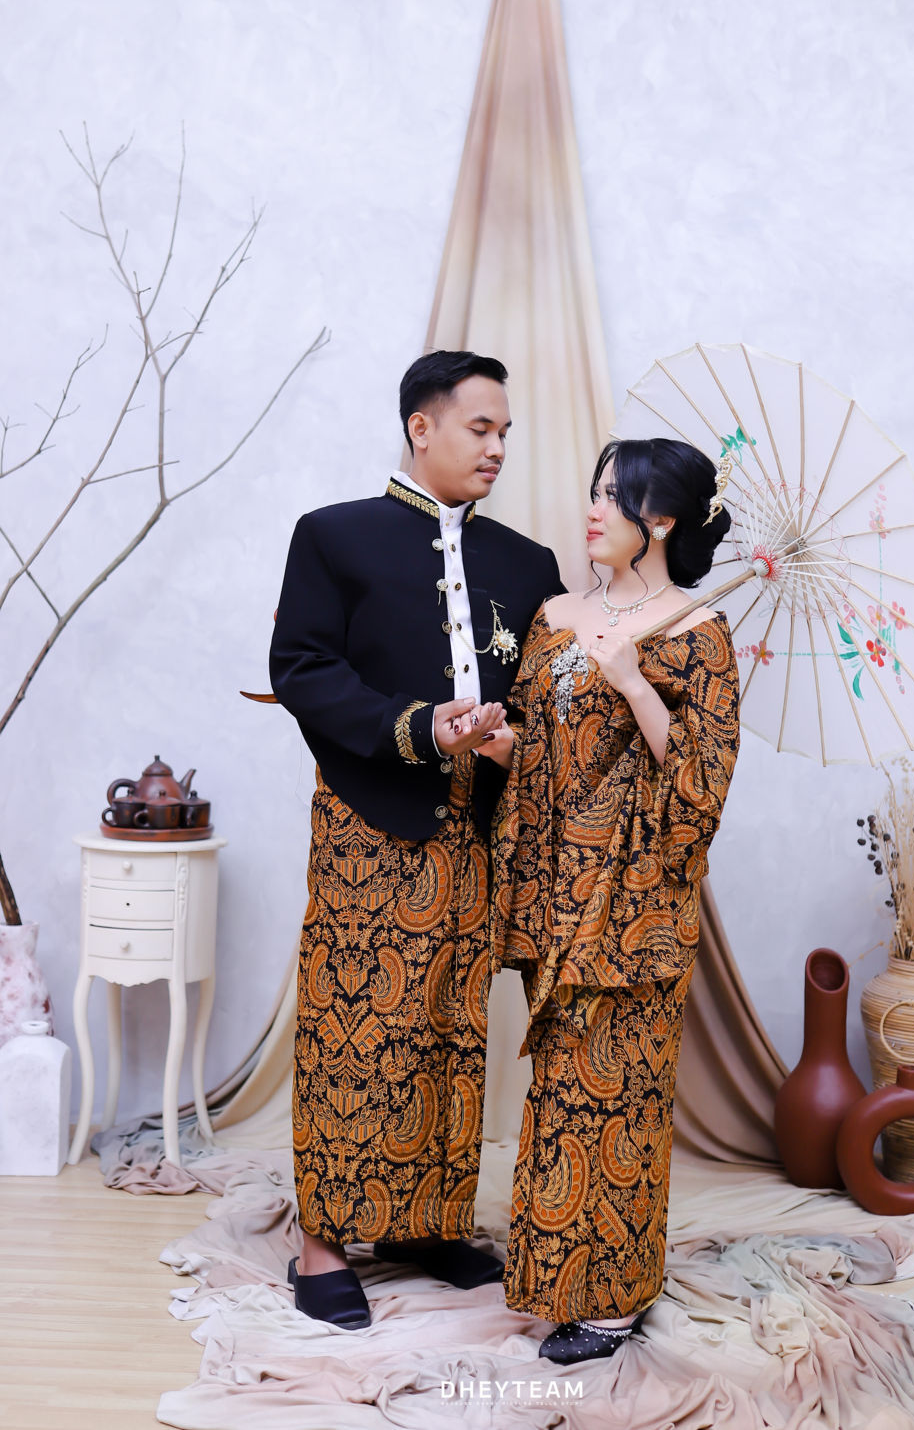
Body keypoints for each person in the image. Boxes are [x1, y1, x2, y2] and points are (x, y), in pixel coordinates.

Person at [269, 350, 563, 1329]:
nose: (497, 447)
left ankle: (426, 1224)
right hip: (369, 822)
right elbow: (302, 666)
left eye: (506, 432)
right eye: (480, 428)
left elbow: (533, 681)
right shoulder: (333, 537)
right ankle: (323, 1241)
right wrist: (419, 725)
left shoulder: (524, 566)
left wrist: (512, 735)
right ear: (420, 427)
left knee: (448, 1028)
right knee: (352, 1030)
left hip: (474, 833)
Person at [480, 436, 740, 1365]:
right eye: (591, 490)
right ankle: (558, 1280)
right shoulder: (556, 616)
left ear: (658, 520)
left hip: (634, 904)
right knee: (562, 1090)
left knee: (620, 1094)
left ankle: (615, 1297)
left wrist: (634, 681)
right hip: (554, 893)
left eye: (611, 495)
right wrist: (495, 740)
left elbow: (702, 784)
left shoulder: (697, 633)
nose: (591, 509)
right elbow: (539, 752)